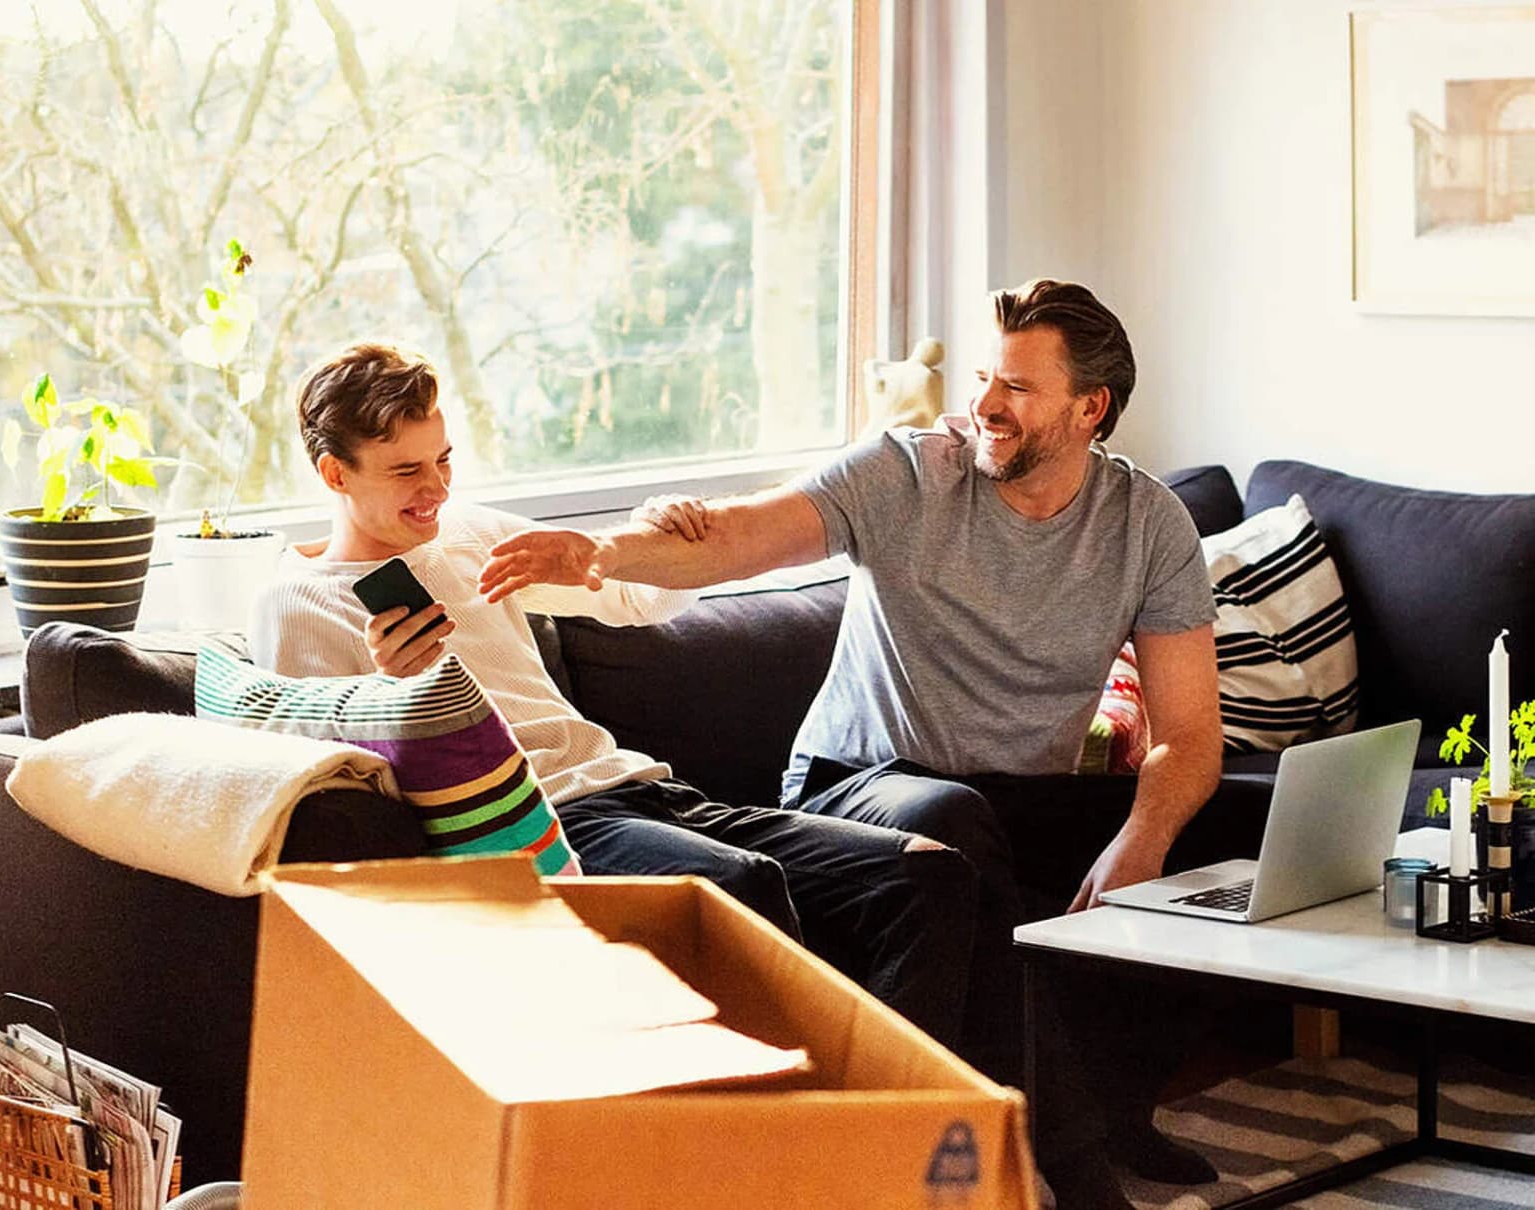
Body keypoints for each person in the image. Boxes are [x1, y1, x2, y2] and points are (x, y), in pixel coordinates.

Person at [477, 279, 1226, 1207]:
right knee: (954, 822)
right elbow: (741, 537)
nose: (986, 404)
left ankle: (1118, 1111)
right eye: (985, 378)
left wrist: (1141, 840)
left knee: (1218, 830)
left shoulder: (1147, 522)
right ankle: (1051, 1163)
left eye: (1018, 388)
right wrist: (600, 554)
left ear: (1090, 409)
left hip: (1021, 792)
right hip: (863, 781)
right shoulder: (908, 473)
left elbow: (1189, 735)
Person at [247, 342, 980, 1051]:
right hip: (547, 826)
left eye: (443, 460)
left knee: (927, 875)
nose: (436, 489)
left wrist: (659, 529)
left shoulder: (468, 534)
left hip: (642, 792)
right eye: (406, 470)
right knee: (739, 888)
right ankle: (804, 1127)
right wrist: (393, 688)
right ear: (335, 474)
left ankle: (908, 1121)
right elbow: (334, 785)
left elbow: (638, 599)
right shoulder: (299, 602)